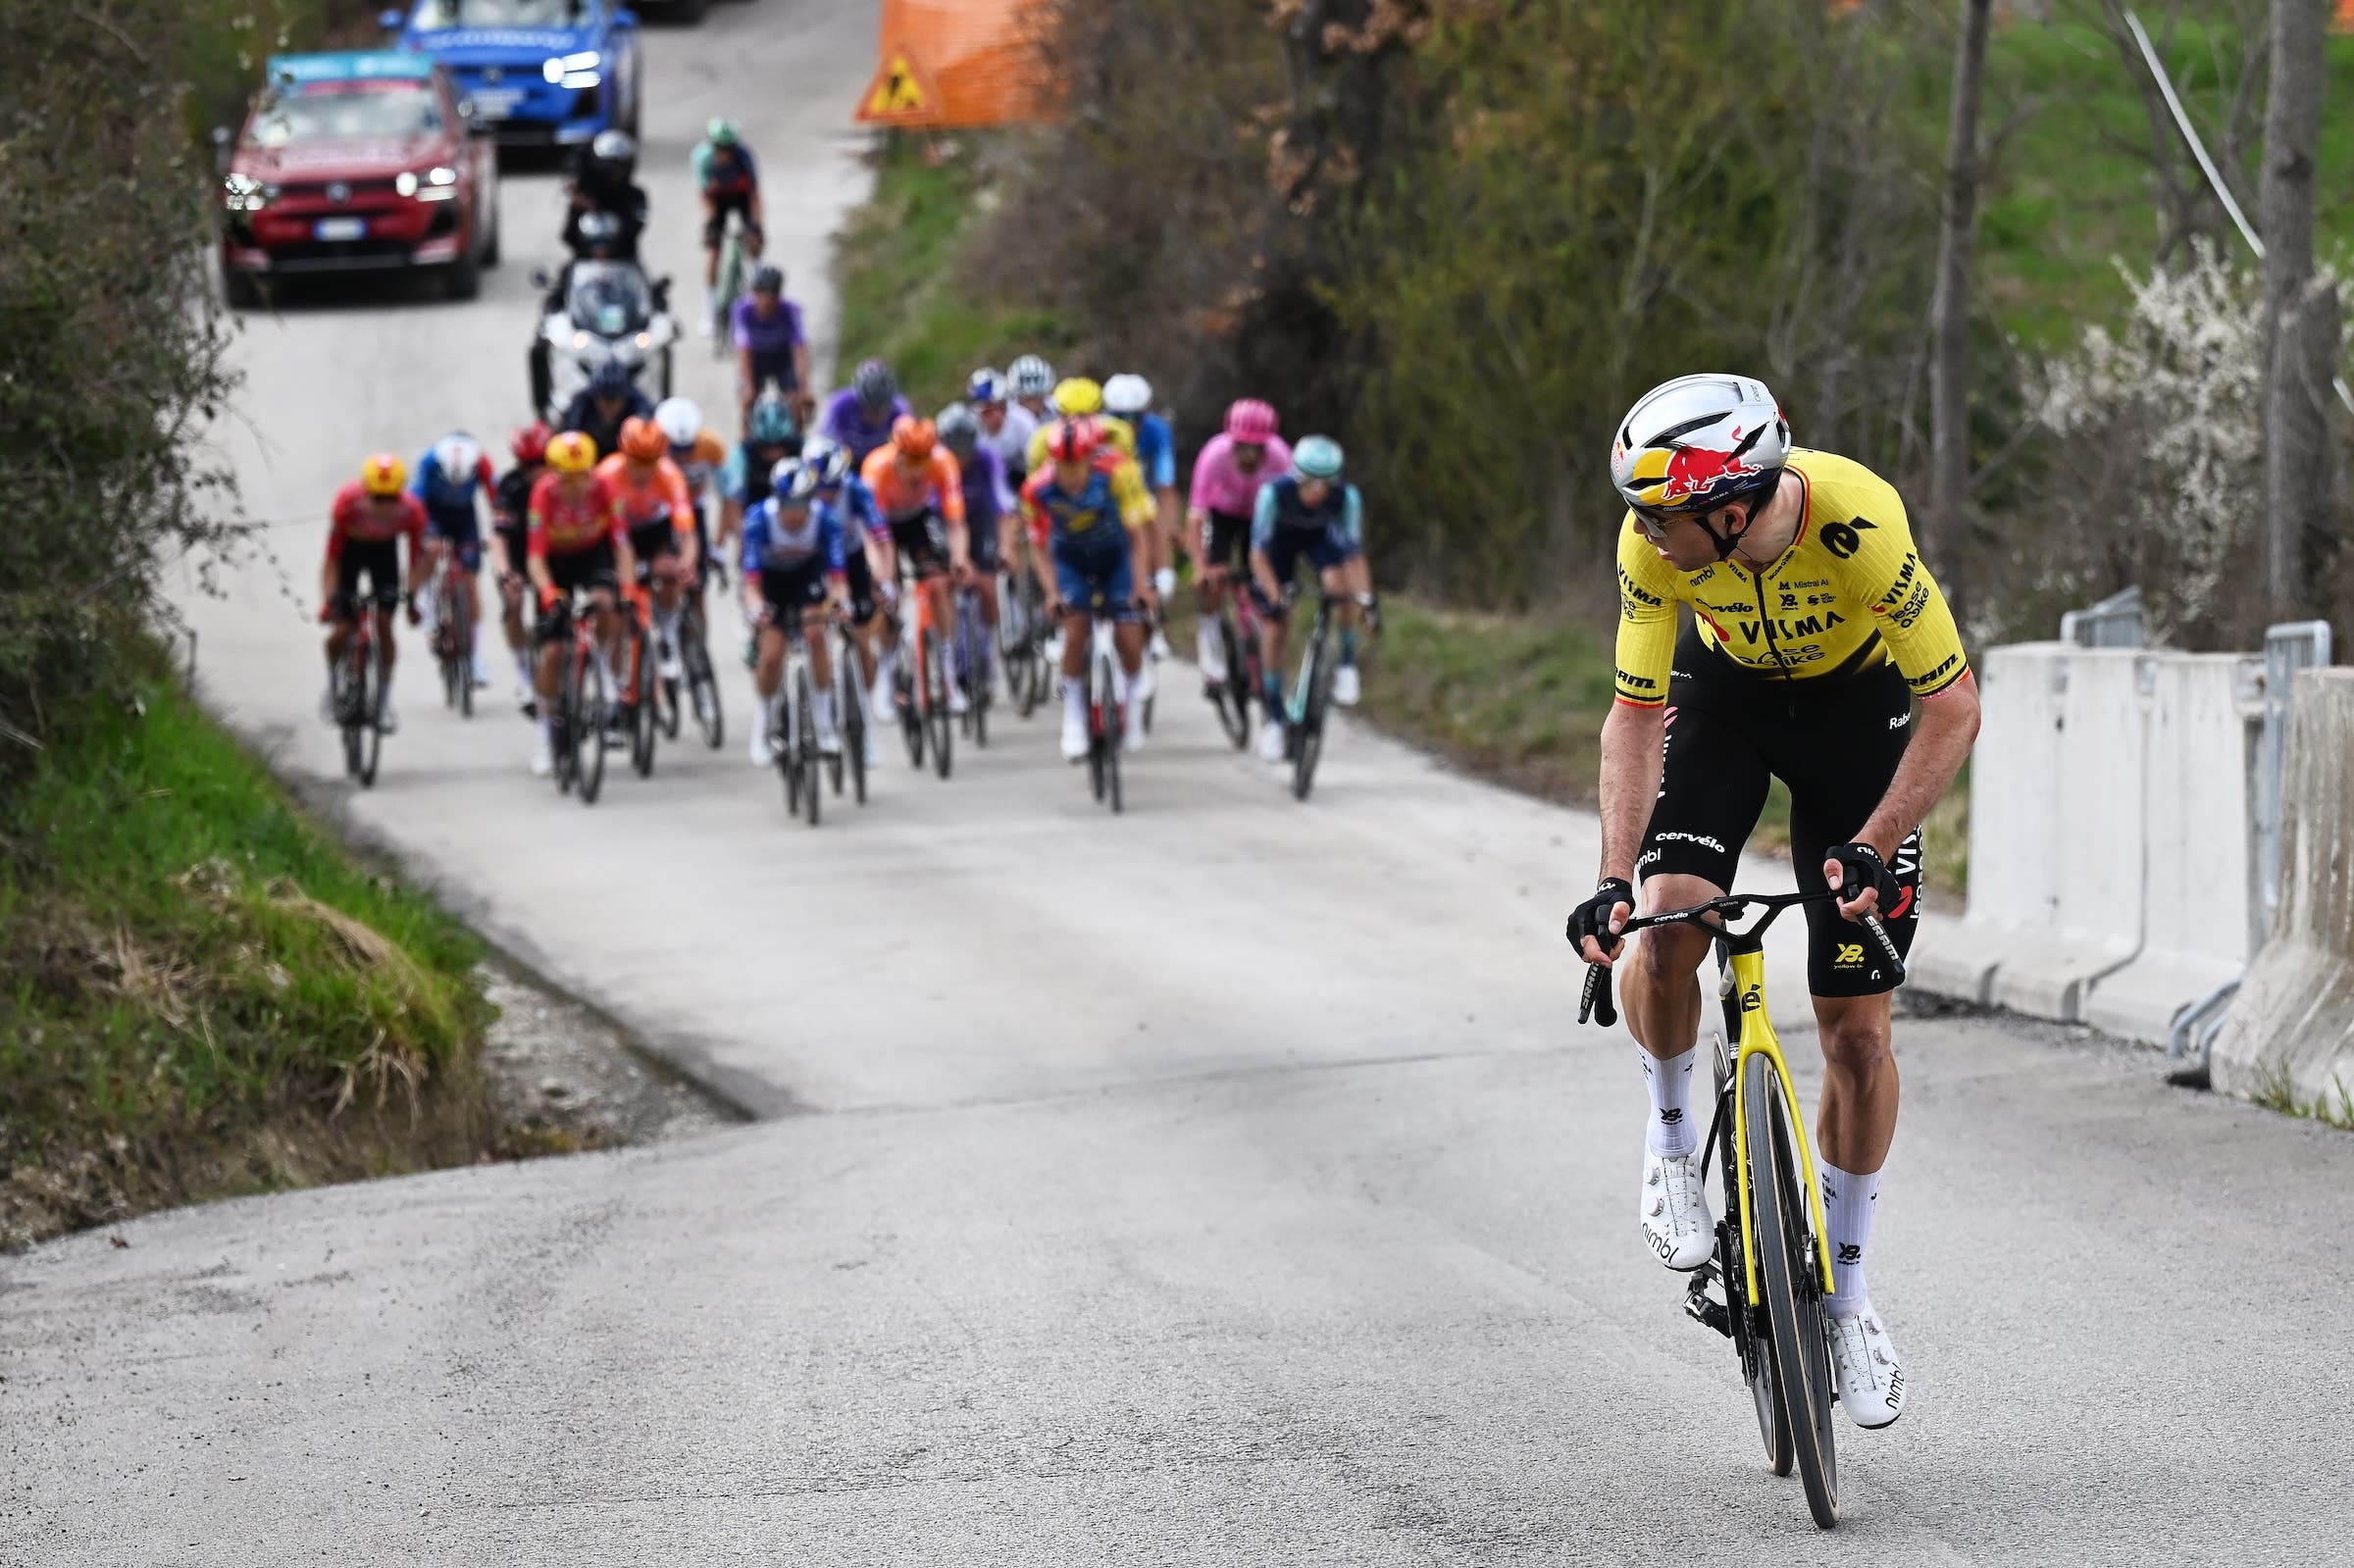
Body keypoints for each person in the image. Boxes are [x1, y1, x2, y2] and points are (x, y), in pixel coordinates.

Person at [1563, 373, 1981, 1434]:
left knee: (1857, 1044)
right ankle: (1668, 1144)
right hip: (1727, 707)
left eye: (1666, 517)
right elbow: (1633, 717)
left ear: (1734, 507)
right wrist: (1614, 879)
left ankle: (1843, 1297)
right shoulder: (1650, 550)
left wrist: (1875, 848)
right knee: (1664, 926)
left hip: (1856, 718)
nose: (1648, 537)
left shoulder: (1859, 521)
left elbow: (1953, 707)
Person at [1022, 417, 1156, 760]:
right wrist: (1052, 592)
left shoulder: (1116, 475)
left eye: (1077, 466)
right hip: (1070, 561)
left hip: (1115, 557)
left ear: (1090, 459)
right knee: (1075, 629)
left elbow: (1138, 536)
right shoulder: (1037, 488)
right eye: (1063, 467)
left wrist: (1141, 584)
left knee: (1129, 634)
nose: (1071, 475)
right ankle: (1073, 718)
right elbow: (1038, 548)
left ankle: (1131, 704)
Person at [1247, 435, 1376, 761]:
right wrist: (1276, 598)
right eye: (1308, 482)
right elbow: (1258, 556)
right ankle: (1274, 719)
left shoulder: (1346, 497)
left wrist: (1366, 601)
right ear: (1295, 476)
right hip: (1279, 548)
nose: (1317, 491)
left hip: (1320, 540)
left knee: (1341, 588)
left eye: (1325, 484)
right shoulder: (1273, 495)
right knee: (1276, 627)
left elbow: (1354, 556)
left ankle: (1346, 664)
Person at [525, 430, 640, 778]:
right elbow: (534, 557)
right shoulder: (543, 494)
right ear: (553, 473)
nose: (575, 487)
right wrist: (547, 593)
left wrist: (629, 588)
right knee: (553, 653)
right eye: (567, 479)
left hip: (592, 555)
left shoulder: (605, 488)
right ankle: (546, 736)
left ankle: (602, 666)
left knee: (607, 603)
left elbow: (621, 544)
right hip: (555, 563)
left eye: (582, 477)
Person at [859, 415, 973, 714]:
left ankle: (947, 673)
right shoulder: (876, 468)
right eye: (910, 462)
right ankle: (886, 674)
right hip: (882, 529)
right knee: (886, 595)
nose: (917, 470)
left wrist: (960, 557)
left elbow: (955, 521)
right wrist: (883, 576)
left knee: (939, 581)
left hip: (918, 520)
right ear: (896, 452)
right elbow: (875, 538)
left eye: (923, 461)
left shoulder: (943, 462)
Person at [740, 456, 849, 764]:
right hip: (771, 583)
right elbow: (750, 582)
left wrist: (840, 602)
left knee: (816, 634)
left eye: (803, 504)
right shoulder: (758, 519)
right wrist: (756, 609)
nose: (796, 514)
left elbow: (838, 577)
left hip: (806, 578)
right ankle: (763, 724)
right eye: (790, 505)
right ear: (778, 500)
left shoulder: (826, 519)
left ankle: (825, 723)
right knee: (772, 656)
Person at [1188, 397, 1292, 689]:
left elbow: (1288, 516)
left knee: (1260, 581)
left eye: (1256, 448)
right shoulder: (1213, 455)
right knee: (1214, 578)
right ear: (1230, 441)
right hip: (1221, 516)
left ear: (1267, 445)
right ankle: (1209, 637)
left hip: (1258, 518)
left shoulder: (1282, 458)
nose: (1248, 456)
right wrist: (1200, 566)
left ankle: (1258, 646)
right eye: (1241, 447)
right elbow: (1196, 517)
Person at [321, 453, 427, 733]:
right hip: (350, 554)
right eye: (377, 498)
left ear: (400, 495)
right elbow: (331, 560)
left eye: (391, 498)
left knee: (384, 624)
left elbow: (416, 560)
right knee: (341, 630)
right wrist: (329, 600)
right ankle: (332, 687)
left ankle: (383, 703)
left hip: (384, 554)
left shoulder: (412, 511)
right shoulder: (347, 503)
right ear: (365, 493)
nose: (384, 506)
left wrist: (413, 599)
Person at [803, 432, 889, 767]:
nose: (828, 494)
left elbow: (880, 538)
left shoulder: (855, 489)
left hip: (850, 559)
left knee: (863, 636)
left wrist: (883, 578)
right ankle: (820, 708)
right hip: (811, 563)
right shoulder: (798, 494)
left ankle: (863, 721)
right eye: (822, 488)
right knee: (813, 631)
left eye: (834, 487)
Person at [594, 416, 699, 683]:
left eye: (649, 462)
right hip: (617, 535)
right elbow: (611, 536)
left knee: (668, 571)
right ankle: (614, 681)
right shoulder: (606, 475)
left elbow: (687, 534)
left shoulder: (670, 475)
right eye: (636, 462)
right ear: (623, 455)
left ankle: (667, 635)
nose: (643, 471)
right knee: (618, 606)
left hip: (654, 532)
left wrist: (686, 564)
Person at [938, 403, 1016, 696]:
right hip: (946, 520)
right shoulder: (936, 462)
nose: (959, 460)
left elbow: (1004, 507)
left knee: (986, 583)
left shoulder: (987, 459)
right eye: (952, 453)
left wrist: (1007, 547)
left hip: (981, 518)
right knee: (944, 582)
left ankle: (987, 642)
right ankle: (946, 648)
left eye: (964, 453)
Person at [409, 430, 496, 691]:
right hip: (433, 512)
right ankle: (429, 608)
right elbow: (414, 506)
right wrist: (426, 537)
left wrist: (498, 532)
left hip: (464, 516)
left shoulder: (481, 462)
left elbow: (497, 500)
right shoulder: (429, 462)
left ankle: (475, 657)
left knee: (470, 582)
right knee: (432, 552)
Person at [1103, 374, 1180, 617]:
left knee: (1150, 519)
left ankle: (1154, 588)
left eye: (1135, 418)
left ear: (1145, 413)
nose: (1128, 425)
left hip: (1142, 499)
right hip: (1108, 499)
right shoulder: (1100, 431)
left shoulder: (1158, 431)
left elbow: (1166, 489)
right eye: (1119, 418)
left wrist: (1166, 551)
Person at [490, 423, 552, 713]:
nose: (533, 472)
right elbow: (499, 536)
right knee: (513, 600)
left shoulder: (561, 483)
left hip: (552, 552)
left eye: (540, 464)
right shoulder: (510, 485)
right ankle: (523, 674)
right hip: (518, 551)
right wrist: (505, 573)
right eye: (527, 465)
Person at [655, 395, 729, 606]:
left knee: (697, 584)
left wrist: (718, 544)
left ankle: (697, 626)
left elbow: (727, 497)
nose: (683, 457)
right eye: (675, 450)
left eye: (688, 448)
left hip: (694, 509)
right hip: (664, 511)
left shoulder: (712, 447)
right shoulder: (654, 448)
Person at [717, 393, 802, 574]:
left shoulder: (804, 449)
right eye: (766, 447)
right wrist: (743, 538)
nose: (773, 454)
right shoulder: (740, 456)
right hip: (753, 511)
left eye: (780, 445)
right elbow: (732, 504)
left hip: (794, 510)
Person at [691, 118, 763, 330]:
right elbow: (704, 196)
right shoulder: (702, 158)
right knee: (714, 251)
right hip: (717, 201)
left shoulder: (744, 157)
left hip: (741, 197)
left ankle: (757, 294)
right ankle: (709, 313)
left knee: (754, 242)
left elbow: (754, 196)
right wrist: (712, 222)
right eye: (720, 148)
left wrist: (756, 226)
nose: (725, 152)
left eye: (729, 147)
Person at [731, 266, 812, 429]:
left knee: (796, 401)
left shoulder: (791, 310)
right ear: (754, 293)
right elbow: (743, 349)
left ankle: (798, 440)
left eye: (773, 297)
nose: (767, 302)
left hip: (782, 357)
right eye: (763, 296)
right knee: (747, 403)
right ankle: (745, 443)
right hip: (755, 358)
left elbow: (799, 350)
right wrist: (748, 387)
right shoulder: (742, 310)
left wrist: (804, 387)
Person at [562, 129, 646, 263]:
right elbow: (568, 236)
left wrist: (597, 207)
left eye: (620, 167)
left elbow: (633, 231)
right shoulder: (582, 198)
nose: (616, 174)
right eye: (609, 168)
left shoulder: (635, 196)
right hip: (584, 266)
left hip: (624, 264)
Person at [816, 358, 911, 469]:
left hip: (884, 466)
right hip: (847, 464)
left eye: (882, 410)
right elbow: (823, 442)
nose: (877, 417)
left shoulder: (900, 409)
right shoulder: (840, 405)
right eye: (871, 410)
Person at [560, 360, 653, 471]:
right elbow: (569, 439)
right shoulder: (580, 406)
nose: (609, 407)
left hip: (626, 469)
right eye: (604, 400)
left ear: (625, 399)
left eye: (615, 400)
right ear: (594, 398)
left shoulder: (639, 406)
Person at [967, 367, 1036, 487]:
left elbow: (1036, 463)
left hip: (1020, 476)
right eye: (988, 410)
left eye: (1001, 407)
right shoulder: (969, 426)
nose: (996, 415)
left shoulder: (1023, 421)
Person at [1006, 354, 1055, 428]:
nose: (1033, 405)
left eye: (1037, 397)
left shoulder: (1057, 409)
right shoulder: (1005, 416)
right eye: (1027, 399)